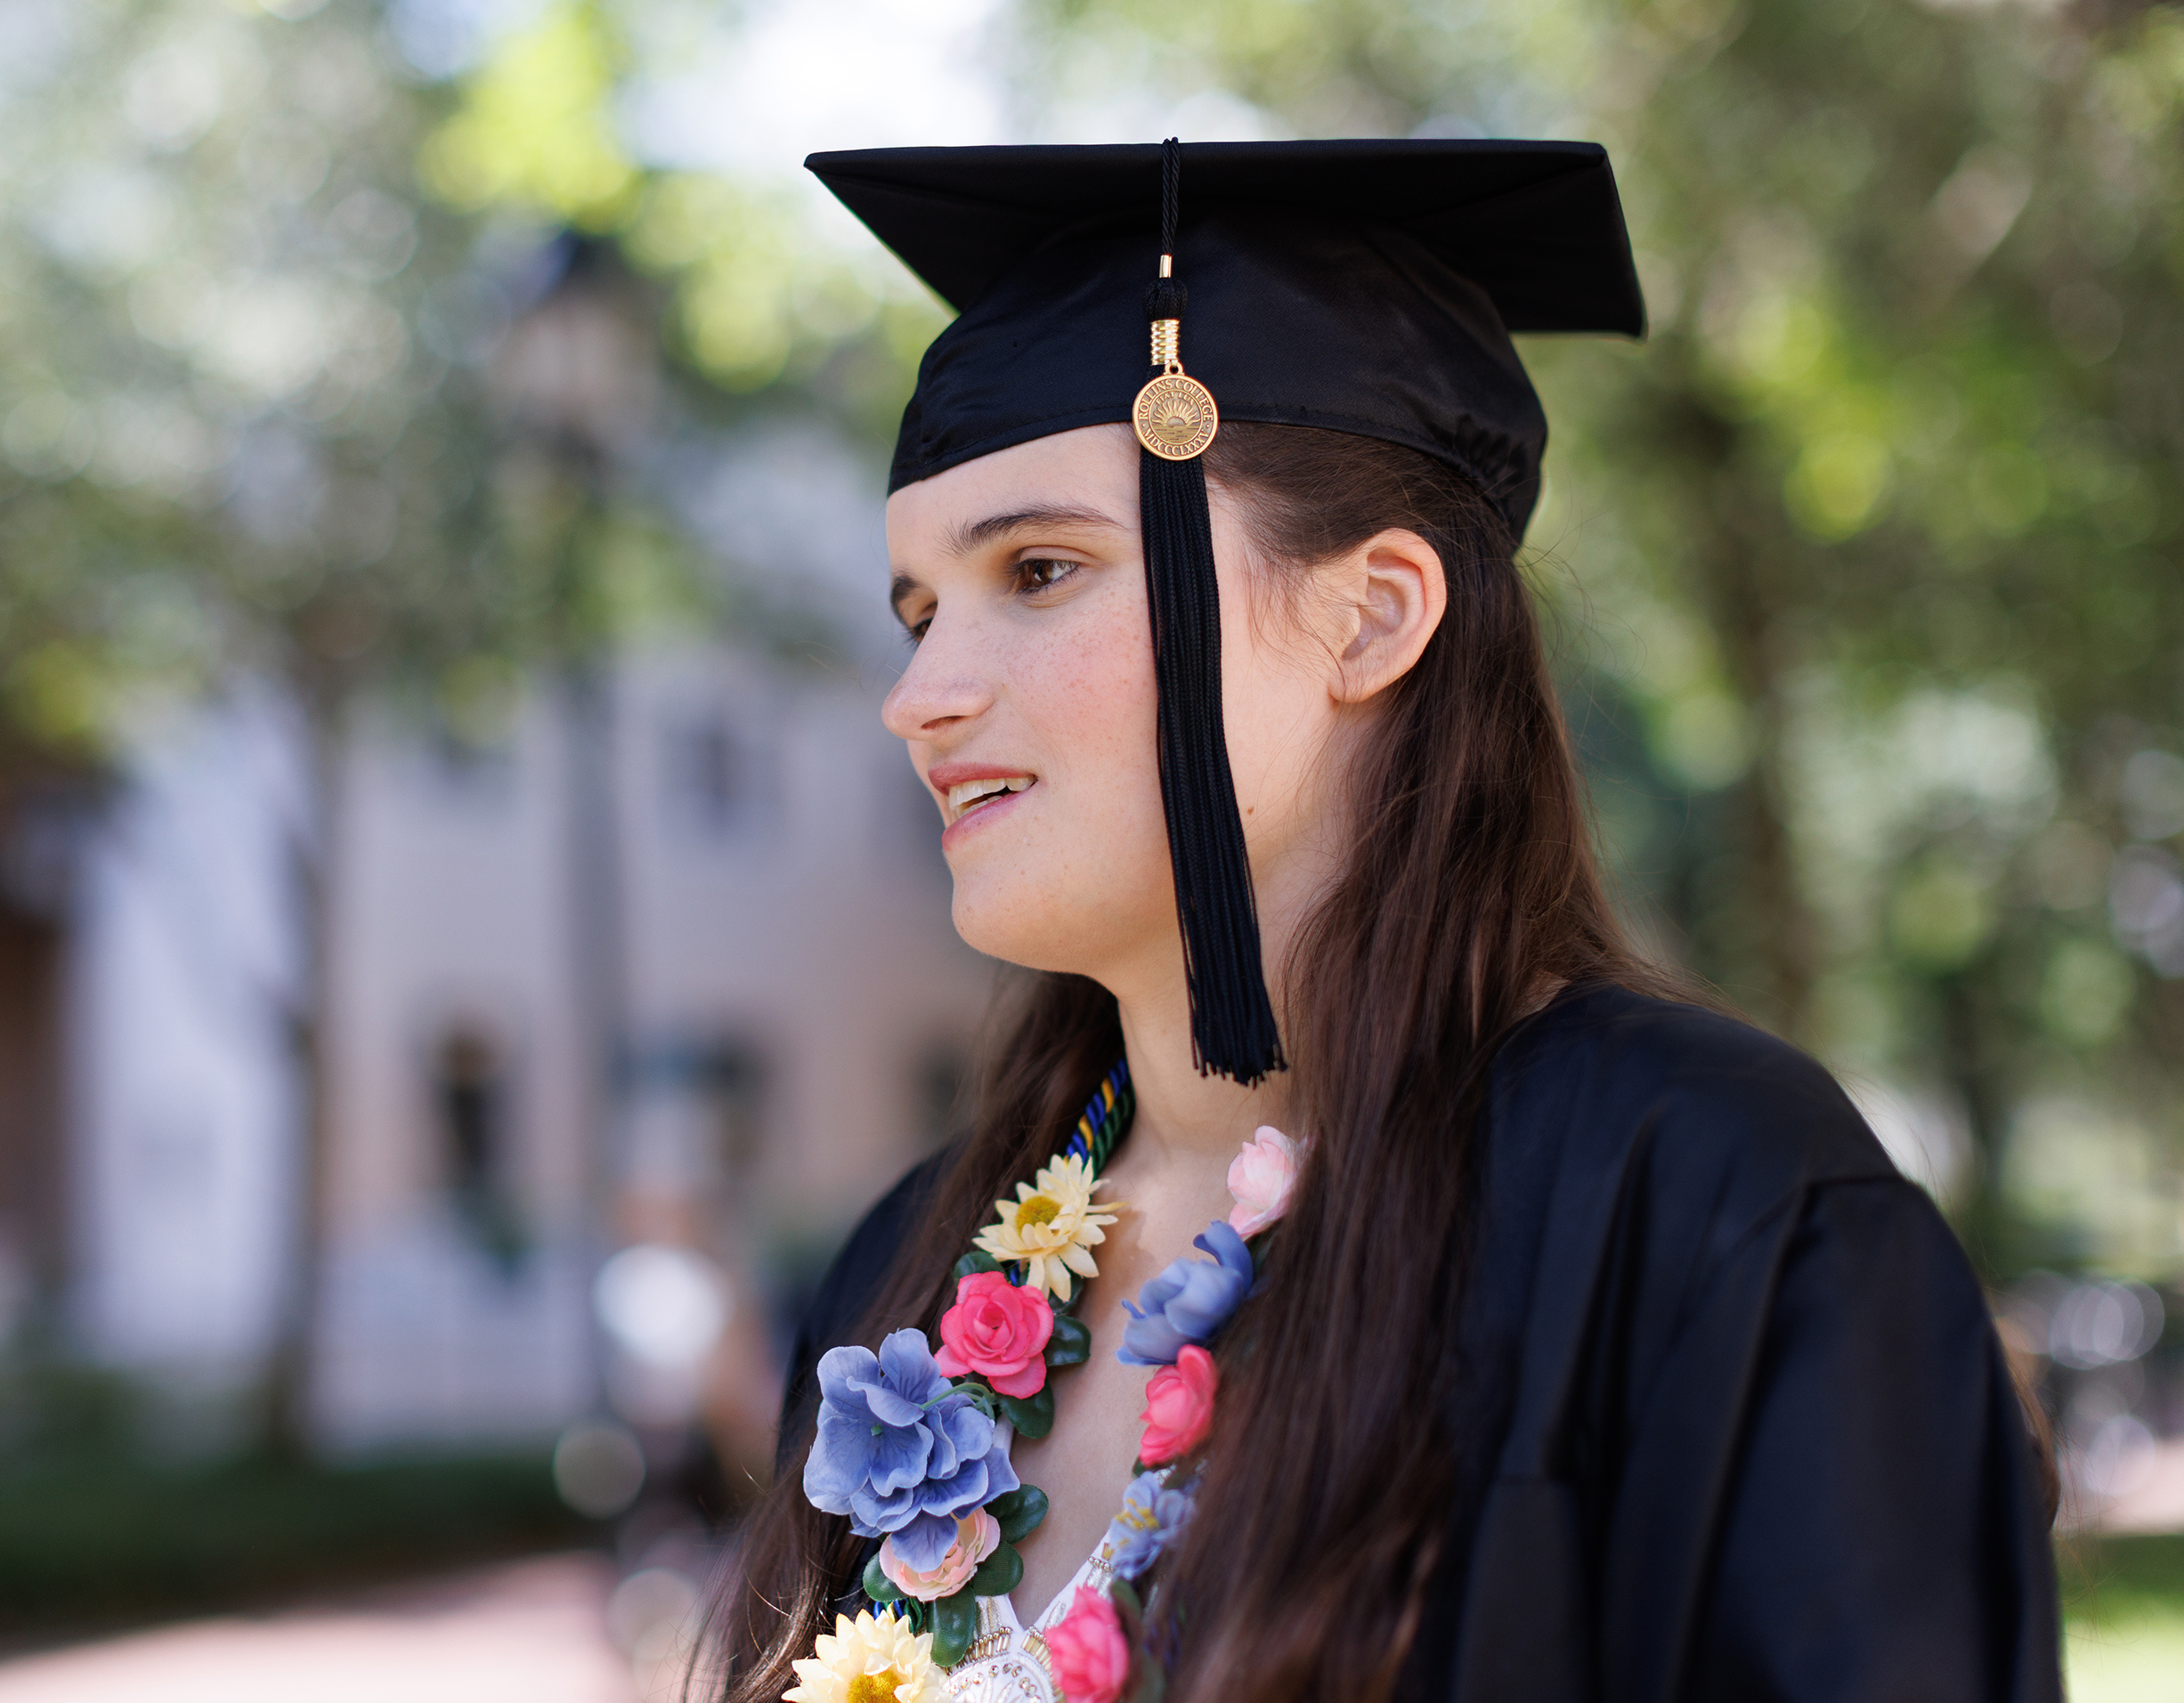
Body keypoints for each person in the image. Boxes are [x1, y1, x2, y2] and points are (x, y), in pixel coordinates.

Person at [719, 139, 2063, 1703]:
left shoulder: (1699, 1202)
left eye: (1038, 569)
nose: (920, 696)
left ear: (1372, 617)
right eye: (918, 611)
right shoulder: (906, 1277)